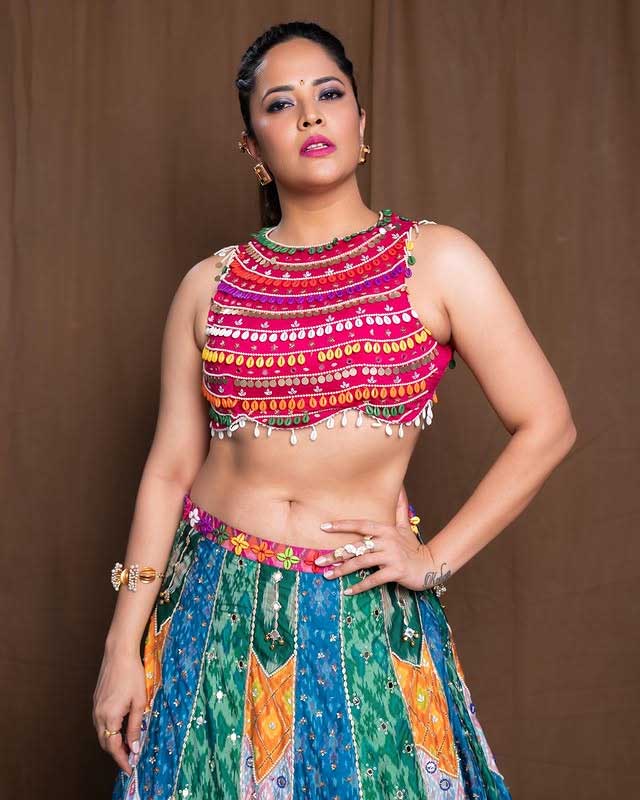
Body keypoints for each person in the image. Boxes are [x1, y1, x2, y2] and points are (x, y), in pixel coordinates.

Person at [95, 20, 576, 800]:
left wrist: (434, 558)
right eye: (279, 104)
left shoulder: (437, 261)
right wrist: (122, 646)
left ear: (360, 119)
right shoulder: (208, 286)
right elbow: (169, 470)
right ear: (252, 145)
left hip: (359, 608)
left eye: (328, 94)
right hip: (209, 605)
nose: (310, 114)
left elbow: (547, 424)